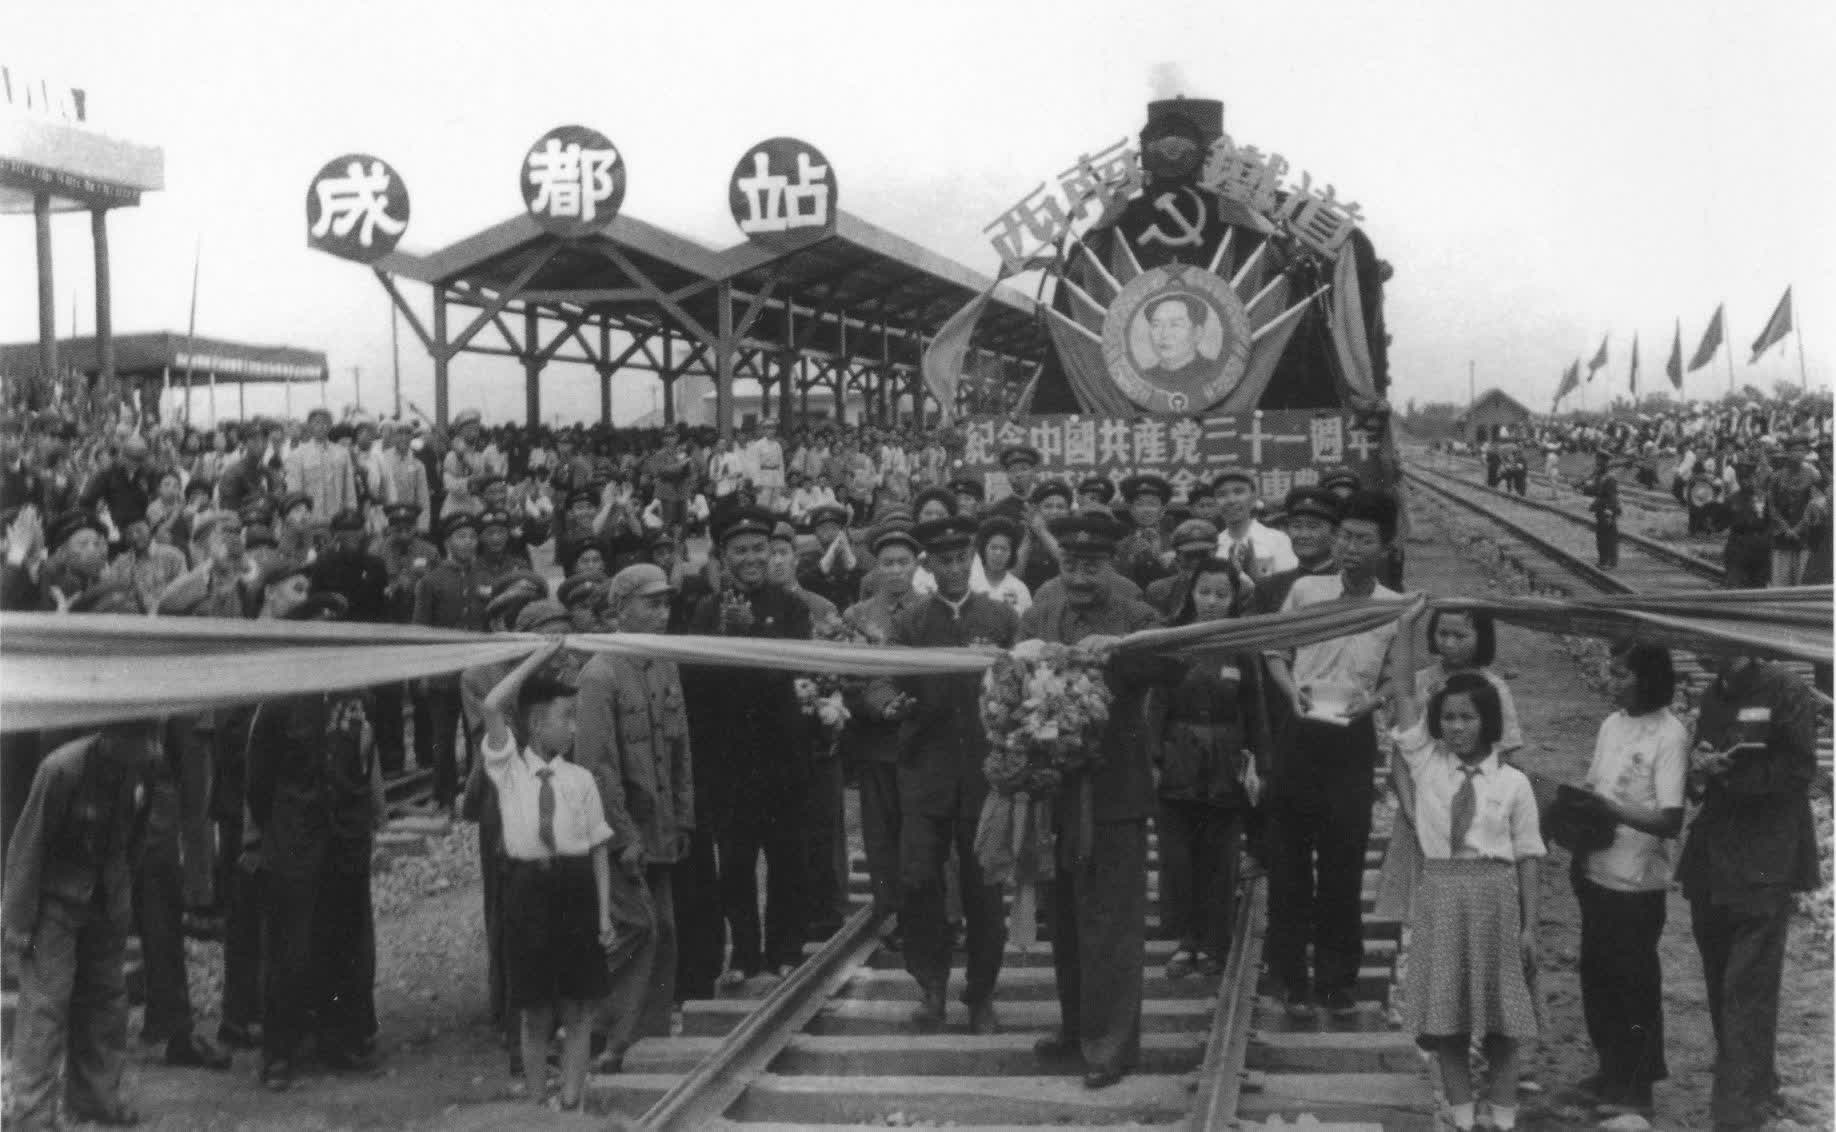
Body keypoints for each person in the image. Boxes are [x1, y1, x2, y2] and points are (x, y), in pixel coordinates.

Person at [1021, 512, 1173, 1089]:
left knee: (1110, 921)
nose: (1080, 575)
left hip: (1115, 793)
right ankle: (1076, 1027)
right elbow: (1011, 674)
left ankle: (1111, 1046)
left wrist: (1126, 650)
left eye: (1091, 565)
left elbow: (1175, 664)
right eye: (1070, 563)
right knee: (1064, 920)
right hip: (1054, 792)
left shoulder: (1134, 612)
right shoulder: (1041, 611)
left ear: (1108, 564)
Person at [1387, 609, 1545, 1132]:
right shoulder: (1428, 763)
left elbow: (1527, 857)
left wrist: (1529, 925)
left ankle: (1500, 1120)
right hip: (1442, 894)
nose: (1457, 728)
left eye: (1469, 719)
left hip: (1496, 898)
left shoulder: (1513, 784)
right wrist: (1407, 626)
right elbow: (1406, 694)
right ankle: (1459, 1117)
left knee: (1504, 1024)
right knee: (1446, 1021)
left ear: (1489, 723)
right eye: (1449, 719)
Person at [1261, 489, 1403, 1018]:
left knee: (1344, 861)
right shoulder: (1305, 591)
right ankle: (1289, 977)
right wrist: (1288, 690)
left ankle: (1338, 980)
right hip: (1301, 732)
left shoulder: (1396, 608)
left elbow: (1400, 675)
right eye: (1345, 537)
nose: (1350, 548)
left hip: (1352, 736)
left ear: (1385, 546)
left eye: (1363, 539)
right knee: (1289, 858)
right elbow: (1275, 651)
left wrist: (1376, 700)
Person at [886, 515, 1020, 1034]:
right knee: (917, 879)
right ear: (929, 565)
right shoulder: (912, 622)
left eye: (962, 558)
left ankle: (981, 995)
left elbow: (1020, 682)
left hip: (985, 774)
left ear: (975, 559)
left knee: (984, 885)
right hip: (925, 771)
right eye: (943, 560)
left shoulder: (1001, 618)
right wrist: (892, 705)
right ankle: (932, 988)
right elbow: (885, 680)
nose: (955, 568)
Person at [1676, 651, 1821, 1130]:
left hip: (1764, 859)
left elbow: (1799, 771)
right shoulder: (1714, 692)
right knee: (1721, 980)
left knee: (1747, 986)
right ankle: (1756, 1084)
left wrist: (1729, 774)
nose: (1700, 651)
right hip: (1714, 858)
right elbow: (1699, 774)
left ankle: (1736, 1114)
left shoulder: (1786, 690)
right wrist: (1700, 769)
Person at [243, 596, 383, 1091]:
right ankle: (279, 1053)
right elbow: (258, 780)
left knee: (343, 941)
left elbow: (363, 767)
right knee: (289, 949)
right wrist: (278, 829)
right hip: (296, 839)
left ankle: (339, 1038)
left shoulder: (359, 697)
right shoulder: (282, 698)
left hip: (345, 838)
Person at [3, 719, 164, 1130]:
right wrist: (18, 922)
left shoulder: (143, 768)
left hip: (105, 902)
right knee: (46, 1005)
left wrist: (121, 892)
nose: (150, 749)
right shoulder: (61, 770)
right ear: (111, 738)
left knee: (106, 1002)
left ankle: (94, 1099)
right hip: (54, 905)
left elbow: (137, 835)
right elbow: (28, 844)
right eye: (141, 740)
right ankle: (32, 1113)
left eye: (151, 740)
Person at [479, 642, 616, 1111]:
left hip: (575, 889)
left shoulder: (581, 781)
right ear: (537, 724)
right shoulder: (509, 772)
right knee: (535, 1007)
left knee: (579, 1005)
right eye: (567, 717)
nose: (575, 727)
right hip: (528, 892)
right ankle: (537, 1104)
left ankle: (573, 1099)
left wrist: (603, 916)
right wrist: (537, 658)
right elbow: (493, 704)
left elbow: (598, 850)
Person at [681, 507, 813, 988]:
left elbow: (789, 671)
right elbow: (695, 681)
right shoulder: (704, 611)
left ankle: (784, 950)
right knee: (735, 862)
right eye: (741, 550)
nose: (752, 558)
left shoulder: (792, 607)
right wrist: (725, 635)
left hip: (782, 755)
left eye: (760, 548)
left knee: (786, 858)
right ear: (723, 557)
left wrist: (751, 633)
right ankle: (745, 954)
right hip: (730, 759)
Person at [574, 564, 694, 1072]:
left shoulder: (665, 665)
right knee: (637, 927)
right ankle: (598, 1032)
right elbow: (598, 766)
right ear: (620, 609)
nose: (662, 613)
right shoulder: (599, 673)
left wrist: (684, 818)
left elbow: (681, 747)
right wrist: (624, 837)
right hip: (624, 833)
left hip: (661, 829)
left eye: (665, 603)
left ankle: (646, 1035)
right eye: (651, 604)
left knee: (662, 930)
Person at [1570, 643, 1686, 1121]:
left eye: (1621, 673)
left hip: (1637, 881)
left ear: (1648, 678)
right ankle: (1609, 1067)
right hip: (1596, 866)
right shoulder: (1611, 724)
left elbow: (1670, 818)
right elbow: (1599, 781)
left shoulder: (1671, 735)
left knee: (1633, 982)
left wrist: (1611, 810)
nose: (1611, 679)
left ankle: (1638, 1084)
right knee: (1597, 976)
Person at [1156, 557, 1269, 980]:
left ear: (1234, 599)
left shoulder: (1243, 646)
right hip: (1178, 761)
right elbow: (1156, 707)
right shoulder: (1173, 642)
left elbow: (1255, 709)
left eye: (1222, 595)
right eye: (1205, 592)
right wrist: (1153, 759)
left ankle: (1215, 943)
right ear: (1191, 594)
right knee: (1179, 857)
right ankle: (1186, 940)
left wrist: (1263, 763)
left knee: (1220, 855)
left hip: (1225, 762)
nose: (1212, 602)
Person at [841, 526, 924, 937]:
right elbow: (848, 682)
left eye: (903, 562)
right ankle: (889, 912)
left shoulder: (929, 611)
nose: (895, 571)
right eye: (887, 563)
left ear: (915, 565)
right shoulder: (856, 617)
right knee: (881, 833)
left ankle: (926, 912)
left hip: (920, 740)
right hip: (875, 741)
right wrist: (879, 706)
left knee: (921, 830)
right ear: (876, 567)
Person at [414, 513, 493, 815]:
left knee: (478, 735)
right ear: (448, 542)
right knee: (442, 739)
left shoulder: (486, 576)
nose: (468, 543)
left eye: (472, 537)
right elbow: (420, 630)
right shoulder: (431, 581)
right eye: (461, 537)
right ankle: (443, 796)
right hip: (444, 674)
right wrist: (424, 673)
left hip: (478, 672)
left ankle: (477, 795)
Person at [1212, 468, 1296, 584]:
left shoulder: (1278, 540)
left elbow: (1288, 586)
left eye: (1238, 492)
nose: (1231, 500)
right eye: (1222, 494)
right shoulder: (1213, 546)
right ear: (1215, 502)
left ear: (1254, 497)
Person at [284, 407, 358, 518]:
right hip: (309, 518)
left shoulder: (342, 453)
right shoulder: (297, 455)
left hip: (337, 517)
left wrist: (351, 511)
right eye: (317, 422)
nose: (322, 426)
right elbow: (294, 491)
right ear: (309, 426)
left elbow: (349, 487)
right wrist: (298, 516)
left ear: (330, 426)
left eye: (326, 422)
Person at [1145, 518, 1219, 619]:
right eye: (1190, 555)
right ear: (1177, 556)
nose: (1196, 562)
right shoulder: (1160, 591)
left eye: (1202, 555)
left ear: (1215, 552)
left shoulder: (1236, 586)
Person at [1139, 292, 1219, 384]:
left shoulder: (1213, 371)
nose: (1164, 334)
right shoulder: (1144, 377)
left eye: (1175, 325)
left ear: (1197, 333)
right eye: (1156, 325)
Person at [1113, 473, 1175, 589]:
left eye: (1152, 504)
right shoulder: (1121, 542)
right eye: (1140, 504)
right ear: (1131, 509)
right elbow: (1114, 577)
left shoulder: (1175, 540)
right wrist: (1130, 559)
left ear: (1163, 510)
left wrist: (1161, 558)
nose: (1146, 510)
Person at [973, 515, 1032, 613]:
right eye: (993, 548)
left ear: (1012, 553)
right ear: (984, 550)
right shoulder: (970, 582)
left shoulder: (1019, 589)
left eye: (1004, 549)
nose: (998, 553)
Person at [1579, 451, 1620, 569]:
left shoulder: (1609, 477)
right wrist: (1583, 488)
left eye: (1599, 461)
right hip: (1601, 507)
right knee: (1602, 535)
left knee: (1608, 536)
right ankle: (1603, 560)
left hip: (1607, 508)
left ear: (1604, 462)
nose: (1597, 463)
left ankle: (1609, 561)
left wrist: (1610, 511)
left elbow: (1612, 496)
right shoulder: (1600, 475)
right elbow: (1596, 490)